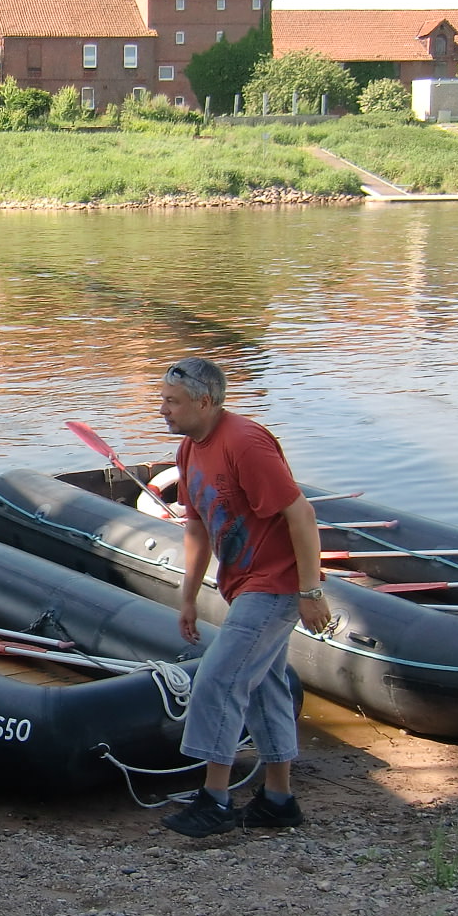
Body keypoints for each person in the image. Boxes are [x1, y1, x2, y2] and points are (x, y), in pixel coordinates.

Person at [154, 357, 332, 838]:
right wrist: (188, 596)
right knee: (265, 685)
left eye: (172, 401)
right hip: (243, 583)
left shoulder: (245, 442)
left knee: (218, 679)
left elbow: (301, 514)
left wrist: (310, 591)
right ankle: (278, 800)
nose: (163, 409)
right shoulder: (189, 450)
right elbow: (197, 528)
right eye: (163, 399)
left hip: (275, 584)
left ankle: (214, 799)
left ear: (204, 402)